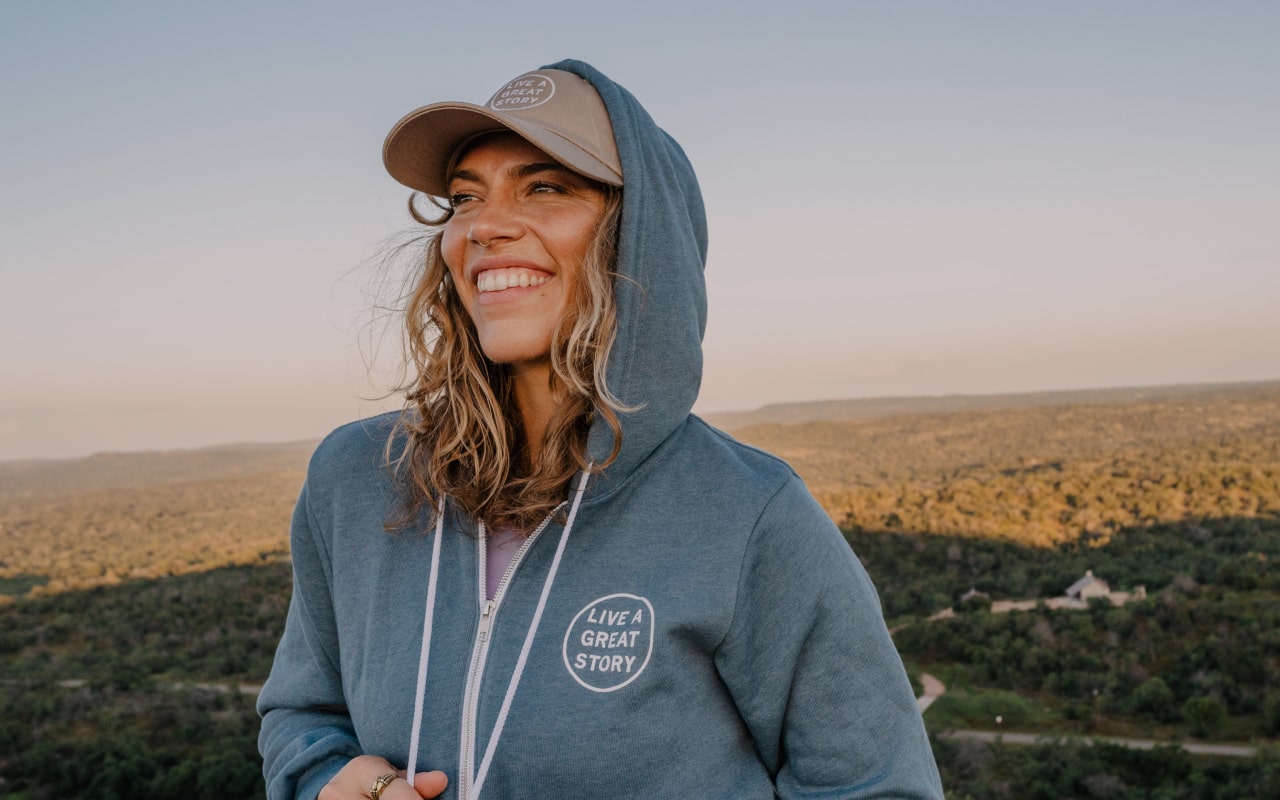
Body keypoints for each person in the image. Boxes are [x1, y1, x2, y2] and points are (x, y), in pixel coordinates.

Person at [257, 60, 944, 800]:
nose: (485, 225)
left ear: (639, 237)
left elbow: (877, 786)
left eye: (545, 186)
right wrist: (325, 780)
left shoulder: (748, 515)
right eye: (464, 197)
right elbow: (303, 712)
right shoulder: (356, 477)